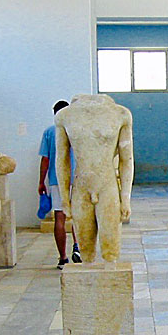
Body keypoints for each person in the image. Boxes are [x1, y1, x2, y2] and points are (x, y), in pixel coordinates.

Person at [55, 94, 134, 263]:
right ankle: (87, 287)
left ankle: (110, 286)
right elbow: (61, 160)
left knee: (111, 249)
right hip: (81, 187)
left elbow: (126, 159)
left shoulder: (121, 114)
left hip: (108, 186)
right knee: (85, 251)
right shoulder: (64, 116)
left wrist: (125, 198)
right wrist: (64, 199)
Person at [39, 100, 80, 269]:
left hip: (57, 180)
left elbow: (45, 159)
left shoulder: (49, 132)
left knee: (60, 217)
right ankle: (78, 247)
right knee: (78, 216)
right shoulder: (77, 132)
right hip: (77, 179)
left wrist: (41, 182)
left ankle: (63, 258)